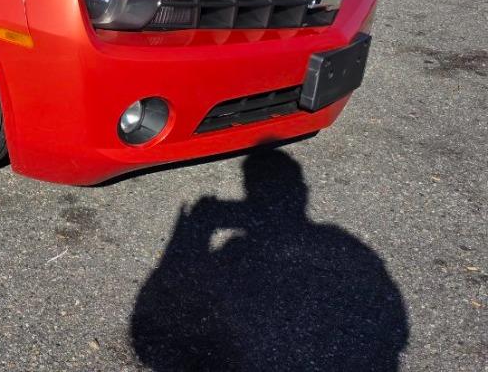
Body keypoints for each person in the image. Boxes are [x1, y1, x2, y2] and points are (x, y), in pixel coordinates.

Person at [130, 148, 409, 371]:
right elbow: (394, 330)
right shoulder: (344, 245)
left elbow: (148, 334)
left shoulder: (241, 252)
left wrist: (193, 231)